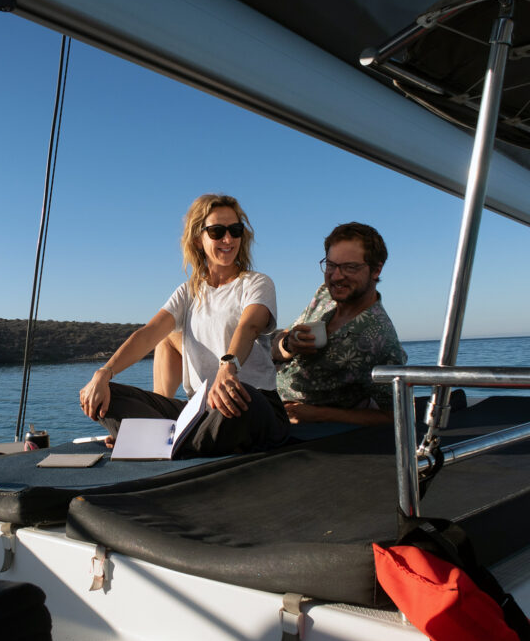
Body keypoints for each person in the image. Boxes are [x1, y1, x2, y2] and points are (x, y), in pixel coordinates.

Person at [79, 194, 289, 456]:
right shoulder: (188, 292)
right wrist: (104, 373)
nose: (228, 239)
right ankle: (170, 441)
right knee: (102, 395)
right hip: (200, 413)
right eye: (217, 231)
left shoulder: (256, 283)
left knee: (238, 397)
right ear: (198, 240)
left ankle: (151, 441)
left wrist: (229, 367)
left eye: (235, 231)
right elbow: (148, 335)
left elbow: (249, 327)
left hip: (252, 404)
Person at [272, 222, 406, 426]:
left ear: (376, 270)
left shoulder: (380, 340)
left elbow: (394, 416)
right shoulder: (324, 294)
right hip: (267, 391)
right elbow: (277, 344)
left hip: (297, 424)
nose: (335, 276)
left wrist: (317, 414)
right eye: (331, 265)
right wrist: (289, 344)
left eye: (350, 267)